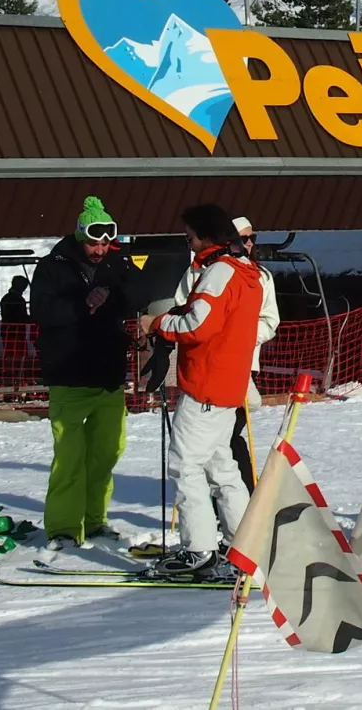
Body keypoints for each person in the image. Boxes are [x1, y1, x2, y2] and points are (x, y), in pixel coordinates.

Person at [142, 203, 264, 577]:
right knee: (222, 467)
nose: (190, 244)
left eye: (191, 237)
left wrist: (157, 323)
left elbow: (199, 324)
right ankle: (244, 545)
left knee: (186, 466)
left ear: (208, 236)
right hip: (226, 384)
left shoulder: (219, 271)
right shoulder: (247, 271)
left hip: (206, 385)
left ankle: (198, 550)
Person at [31, 196, 134, 549]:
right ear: (79, 236)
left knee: (107, 453)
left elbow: (138, 295)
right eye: (94, 241)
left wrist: (115, 295)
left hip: (108, 377)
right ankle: (62, 527)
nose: (100, 249)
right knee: (70, 458)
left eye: (105, 242)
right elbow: (41, 311)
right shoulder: (52, 266)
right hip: (68, 375)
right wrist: (82, 302)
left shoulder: (117, 263)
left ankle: (94, 520)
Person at [228, 217, 279, 490]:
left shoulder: (261, 276)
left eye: (252, 238)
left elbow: (270, 320)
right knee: (211, 438)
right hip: (206, 367)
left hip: (241, 364)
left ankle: (244, 492)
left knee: (231, 433)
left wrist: (241, 337)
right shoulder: (200, 271)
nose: (248, 244)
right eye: (242, 238)